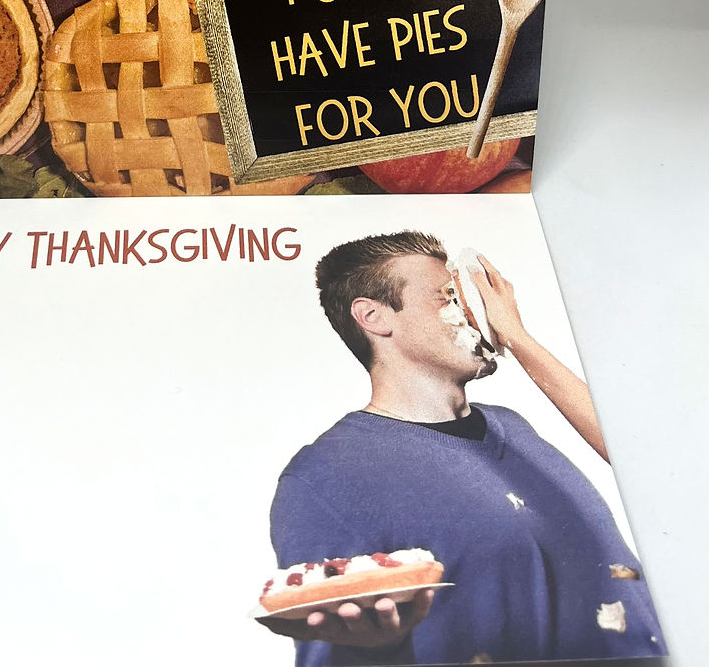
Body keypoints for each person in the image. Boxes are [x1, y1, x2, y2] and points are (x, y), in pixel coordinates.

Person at [263, 231, 664, 666]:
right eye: (449, 298)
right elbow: (328, 648)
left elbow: (655, 463)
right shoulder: (325, 475)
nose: (476, 314)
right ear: (375, 317)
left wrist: (519, 339)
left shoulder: (513, 427)